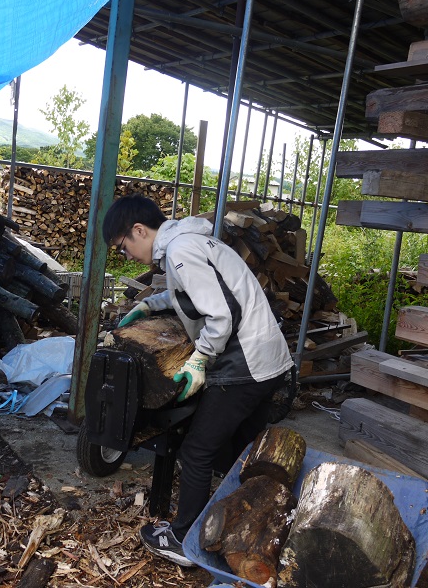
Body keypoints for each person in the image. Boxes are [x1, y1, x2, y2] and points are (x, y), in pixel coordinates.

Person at [102, 194, 294, 567]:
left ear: (139, 230)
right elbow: (196, 292)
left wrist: (199, 359)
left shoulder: (180, 250)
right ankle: (252, 525)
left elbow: (219, 314)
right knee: (242, 450)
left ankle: (183, 540)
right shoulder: (189, 242)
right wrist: (149, 303)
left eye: (123, 246)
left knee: (196, 451)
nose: (126, 255)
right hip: (266, 361)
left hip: (244, 364)